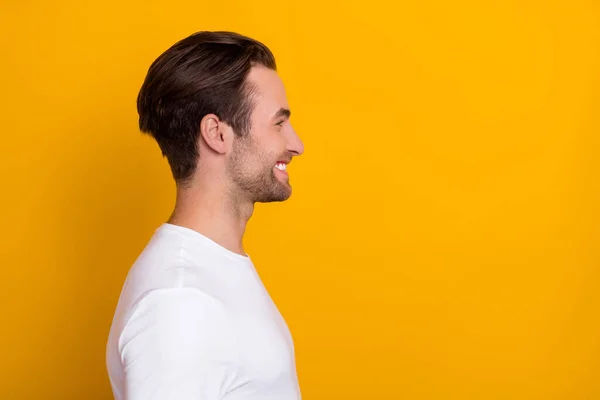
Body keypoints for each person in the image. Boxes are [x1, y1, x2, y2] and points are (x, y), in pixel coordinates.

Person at [105, 30, 305, 400]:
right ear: (217, 134)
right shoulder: (179, 303)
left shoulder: (211, 270)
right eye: (278, 123)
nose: (297, 144)